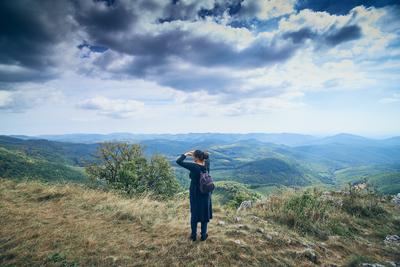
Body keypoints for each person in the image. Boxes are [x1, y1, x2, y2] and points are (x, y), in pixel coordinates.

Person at [176, 149, 212, 241]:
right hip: (206, 192)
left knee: (195, 213)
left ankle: (193, 236)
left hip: (195, 192)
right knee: (204, 212)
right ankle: (203, 235)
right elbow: (207, 158)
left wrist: (185, 154)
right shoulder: (206, 164)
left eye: (193, 156)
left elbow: (178, 161)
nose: (192, 158)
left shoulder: (194, 166)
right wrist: (198, 155)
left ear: (196, 157)